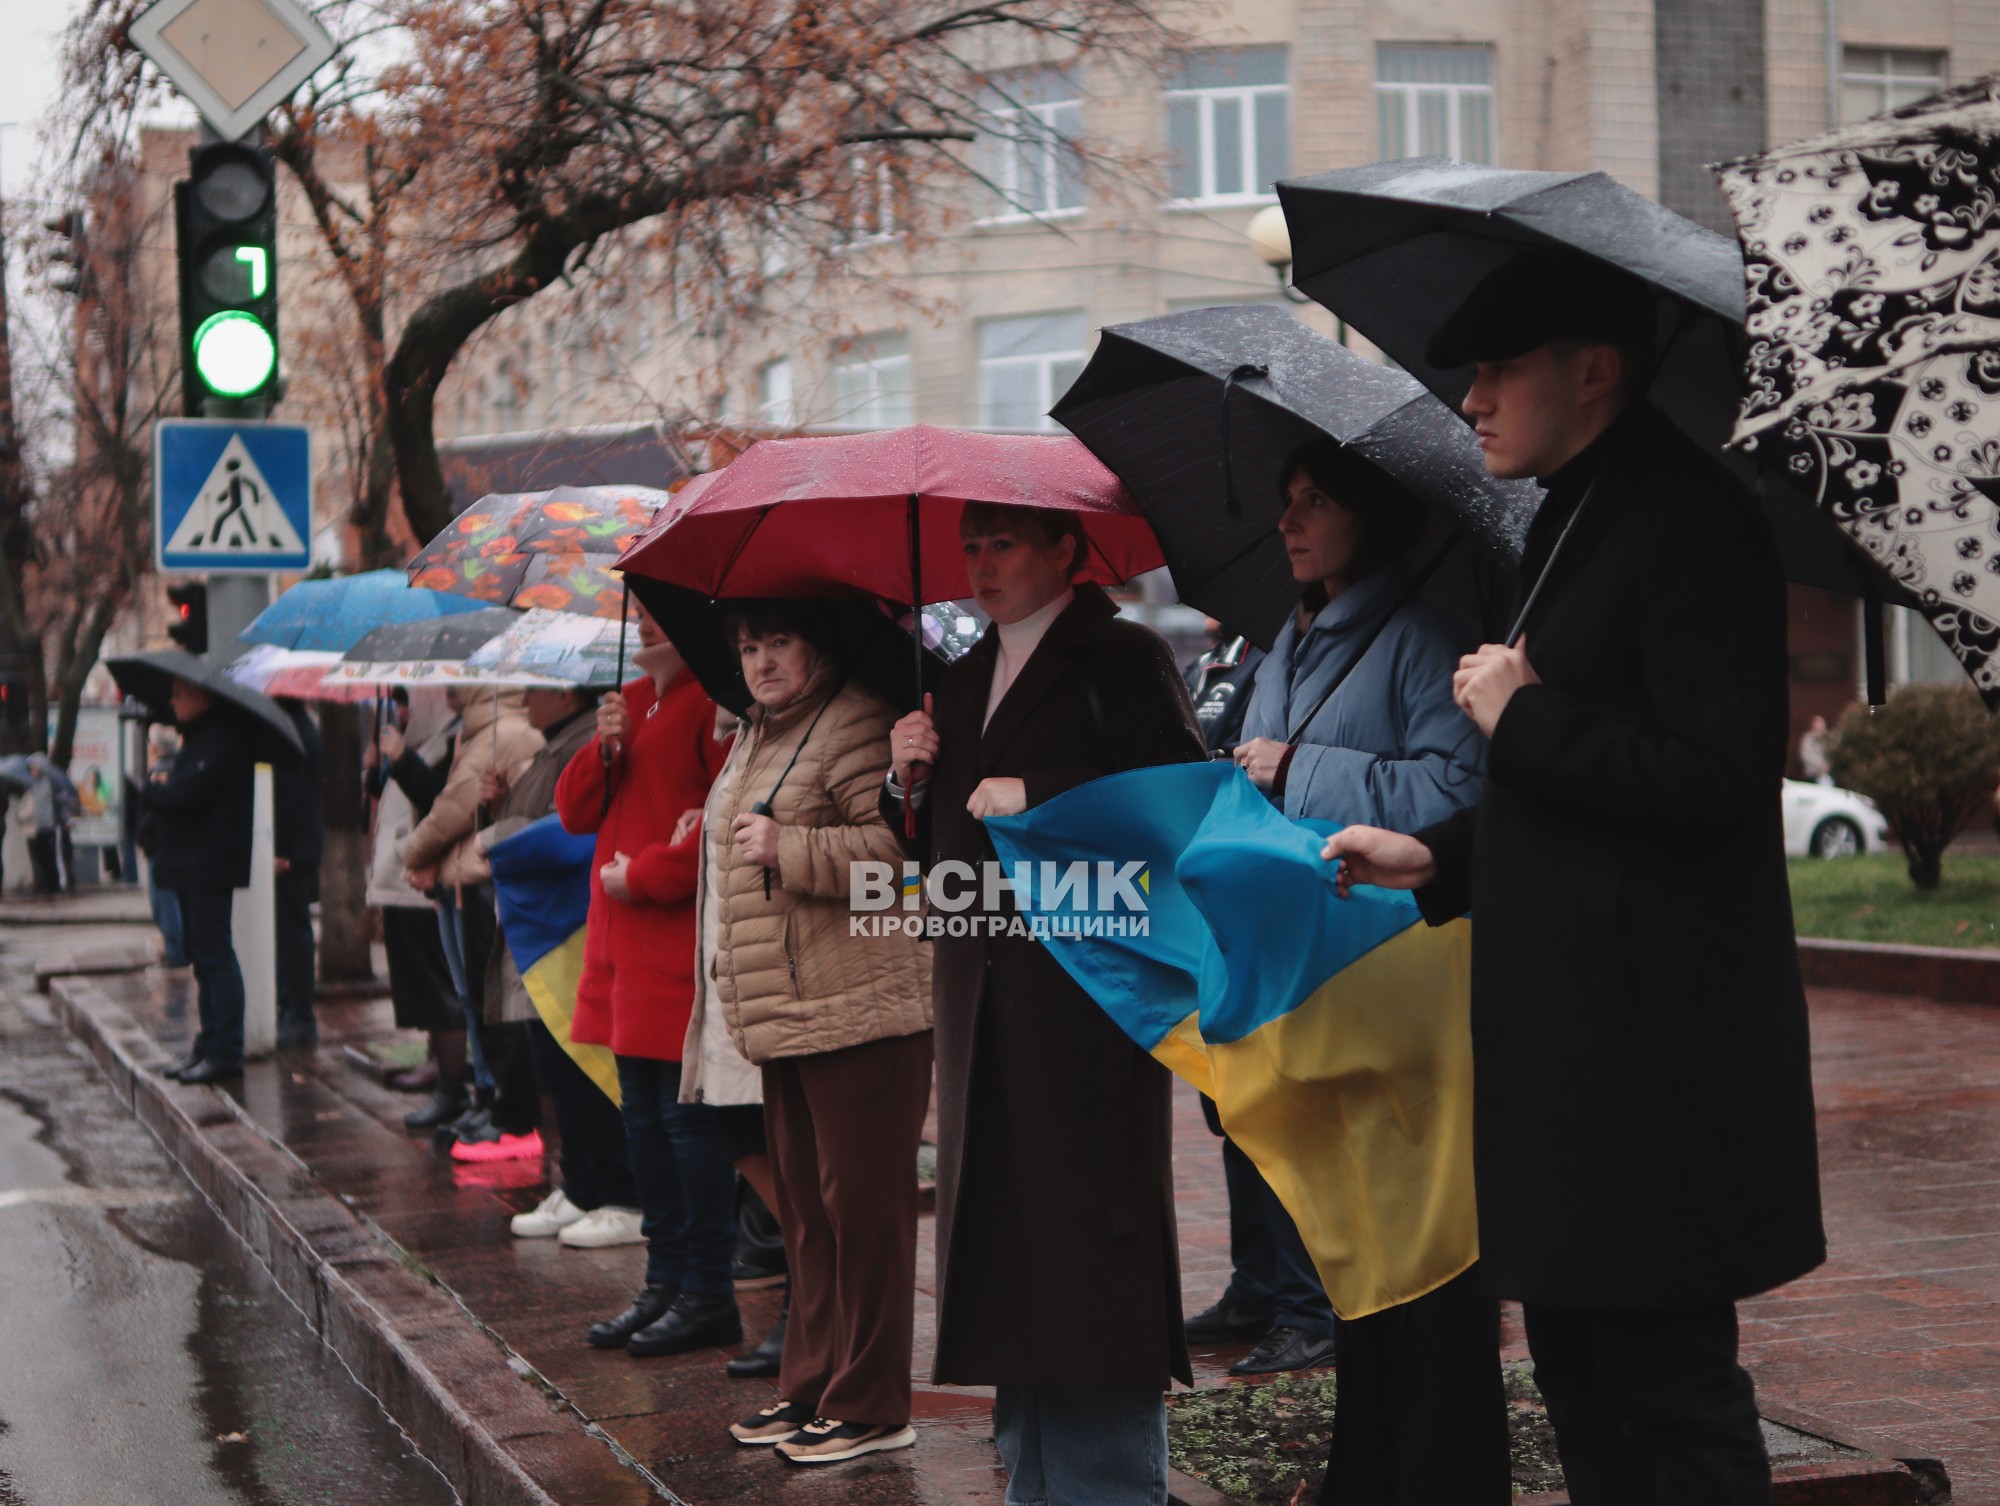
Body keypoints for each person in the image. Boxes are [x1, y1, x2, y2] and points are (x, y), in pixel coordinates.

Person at [1321, 250, 1826, 1506]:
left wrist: (1524, 713)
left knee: (1666, 1392)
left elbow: (1711, 777)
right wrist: (1436, 855)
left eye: (1497, 370)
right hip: (1564, 1058)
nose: (1472, 399)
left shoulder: (1688, 517)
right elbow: (1562, 800)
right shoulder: (1569, 511)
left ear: (1591, 369)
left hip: (1648, 1064)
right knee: (1580, 1380)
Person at [886, 502, 1204, 1506]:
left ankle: (1114, 1488)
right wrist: (910, 784)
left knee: (1086, 1251)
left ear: (1065, 550)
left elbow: (1180, 800)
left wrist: (1047, 791)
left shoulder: (1120, 655)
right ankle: (1034, 1485)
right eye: (970, 545)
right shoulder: (959, 680)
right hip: (981, 1006)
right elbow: (941, 869)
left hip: (1087, 1004)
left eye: (1004, 543)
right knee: (1009, 1252)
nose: (980, 564)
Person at [1228, 438, 1507, 1497]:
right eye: (1283, 501)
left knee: (1421, 1249)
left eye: (1314, 501)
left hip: (1401, 984)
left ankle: (1439, 1471)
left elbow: (1452, 793)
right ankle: (1370, 1467)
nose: (1289, 521)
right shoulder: (1279, 645)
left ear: (1371, 517)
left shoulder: (1423, 635)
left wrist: (1304, 768)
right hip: (1310, 983)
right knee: (1351, 1247)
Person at [684, 601, 931, 1465]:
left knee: (864, 1215)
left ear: (817, 641)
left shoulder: (858, 718)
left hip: (862, 1006)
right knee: (810, 1219)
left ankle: (871, 1403)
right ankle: (814, 1388)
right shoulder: (761, 729)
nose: (760, 660)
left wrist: (789, 846)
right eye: (748, 647)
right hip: (787, 1012)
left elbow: (903, 862)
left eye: (778, 640)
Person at [556, 601, 736, 1359]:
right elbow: (574, 812)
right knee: (642, 1119)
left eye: (667, 614)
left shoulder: (711, 705)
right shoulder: (626, 705)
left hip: (674, 950)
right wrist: (602, 750)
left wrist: (653, 875)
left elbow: (722, 830)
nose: (650, 626)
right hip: (623, 952)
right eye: (645, 615)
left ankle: (706, 1291)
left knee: (685, 1125)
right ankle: (662, 1282)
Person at [476, 683, 643, 1238]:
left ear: (571, 694)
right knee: (558, 1070)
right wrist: (496, 805)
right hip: (544, 931)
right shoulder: (557, 743)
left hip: (569, 926)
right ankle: (581, 1185)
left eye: (542, 685)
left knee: (583, 1067)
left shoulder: (586, 742)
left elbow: (574, 830)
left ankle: (616, 1192)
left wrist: (500, 833)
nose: (527, 693)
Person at [401, 687, 544, 1156]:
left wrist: (412, 854)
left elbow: (452, 811)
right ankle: (490, 1097)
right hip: (464, 877)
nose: (448, 686)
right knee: (476, 999)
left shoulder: (502, 730)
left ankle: (507, 1108)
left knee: (495, 1002)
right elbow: (472, 804)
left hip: (482, 879)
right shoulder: (475, 730)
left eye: (464, 674)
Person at [145, 678, 256, 1085]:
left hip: (210, 861)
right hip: (199, 862)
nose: (172, 701)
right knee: (204, 958)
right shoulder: (202, 737)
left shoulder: (221, 739)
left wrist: (154, 792)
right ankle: (210, 1043)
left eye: (179, 694)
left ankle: (225, 1049)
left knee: (215, 957)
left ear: (201, 696)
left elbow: (183, 794)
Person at [367, 692, 470, 1120]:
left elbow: (437, 799)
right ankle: (438, 1066)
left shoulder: (453, 739)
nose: (402, 711)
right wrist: (379, 766)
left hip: (424, 879)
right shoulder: (427, 739)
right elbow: (391, 793)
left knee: (438, 985)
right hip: (402, 877)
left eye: (407, 700)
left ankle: (452, 1086)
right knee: (422, 987)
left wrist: (403, 758)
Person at [272, 697, 325, 1050]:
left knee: (293, 934)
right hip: (296, 848)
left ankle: (299, 1014)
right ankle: (292, 1008)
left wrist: (284, 852)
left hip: (292, 852)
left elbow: (291, 797)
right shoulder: (299, 725)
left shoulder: (292, 731)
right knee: (291, 932)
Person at [138, 724, 189, 967]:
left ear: (156, 747)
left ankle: (175, 950)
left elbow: (153, 806)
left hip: (159, 844)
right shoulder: (180, 765)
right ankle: (178, 948)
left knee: (164, 902)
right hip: (173, 843)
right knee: (173, 900)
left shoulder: (158, 770)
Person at [1799, 714, 1832, 784]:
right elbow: (1806, 755)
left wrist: (1827, 766)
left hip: (1826, 773)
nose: (1821, 725)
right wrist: (1820, 765)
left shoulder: (1827, 739)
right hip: (1812, 773)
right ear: (1813, 725)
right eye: (1819, 723)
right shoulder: (1808, 738)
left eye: (1822, 723)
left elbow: (1831, 754)